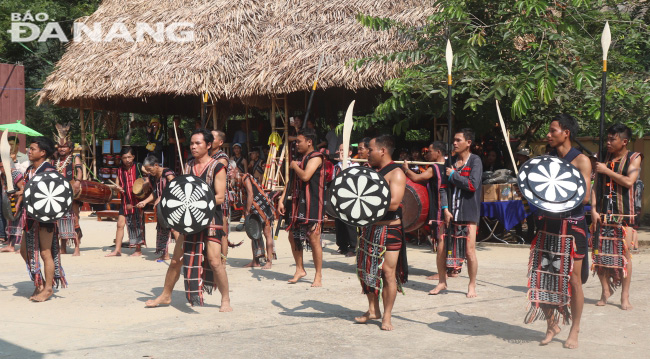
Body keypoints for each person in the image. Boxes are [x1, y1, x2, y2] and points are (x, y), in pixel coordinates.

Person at [529, 114, 591, 349]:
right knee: (544, 277)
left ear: (566, 132)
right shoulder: (547, 160)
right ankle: (551, 324)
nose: (548, 134)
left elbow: (584, 197)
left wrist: (556, 194)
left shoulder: (581, 160)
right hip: (548, 226)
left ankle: (574, 329)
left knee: (574, 280)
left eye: (553, 130)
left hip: (573, 227)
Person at [354, 135, 407, 331]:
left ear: (382, 151)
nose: (367, 152)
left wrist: (364, 204)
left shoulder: (396, 173)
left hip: (390, 227)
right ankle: (373, 309)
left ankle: (387, 316)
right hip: (370, 227)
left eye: (371, 149)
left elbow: (394, 203)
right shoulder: (371, 172)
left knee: (388, 273)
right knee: (367, 270)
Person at [591, 123, 641, 311]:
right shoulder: (602, 157)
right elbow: (595, 185)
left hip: (624, 214)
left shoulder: (634, 158)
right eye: (608, 138)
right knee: (599, 253)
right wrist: (593, 210)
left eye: (613, 139)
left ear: (624, 141)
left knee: (623, 256)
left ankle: (624, 295)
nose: (609, 142)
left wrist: (607, 171)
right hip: (602, 213)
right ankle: (605, 290)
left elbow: (629, 182)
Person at [182, 129, 232, 309]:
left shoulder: (217, 166)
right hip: (192, 219)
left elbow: (220, 197)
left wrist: (196, 201)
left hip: (212, 218)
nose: (193, 147)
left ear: (208, 145)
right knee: (187, 257)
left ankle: (225, 298)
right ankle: (194, 294)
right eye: (192, 143)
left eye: (198, 143)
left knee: (214, 261)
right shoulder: (188, 166)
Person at [430, 128, 482, 298]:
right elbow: (443, 188)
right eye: (454, 140)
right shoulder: (450, 161)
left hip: (468, 212)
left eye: (459, 140)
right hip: (450, 213)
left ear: (468, 143)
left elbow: (472, 185)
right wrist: (445, 208)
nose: (455, 143)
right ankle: (442, 282)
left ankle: (472, 285)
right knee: (441, 249)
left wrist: (454, 175)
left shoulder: (475, 161)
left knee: (469, 251)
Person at [19, 137, 68, 302]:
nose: (29, 151)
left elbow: (56, 195)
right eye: (29, 148)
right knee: (24, 250)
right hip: (30, 218)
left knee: (46, 252)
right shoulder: (29, 170)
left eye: (32, 149)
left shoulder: (50, 171)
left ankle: (48, 289)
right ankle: (39, 282)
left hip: (46, 217)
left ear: (43, 152)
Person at [278, 128, 325, 287]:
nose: (296, 144)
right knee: (293, 236)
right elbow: (290, 182)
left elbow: (305, 175)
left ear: (309, 142)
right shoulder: (299, 158)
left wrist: (294, 166)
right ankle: (300, 269)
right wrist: (282, 199)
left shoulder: (317, 157)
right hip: (296, 203)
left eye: (299, 141)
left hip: (312, 203)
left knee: (313, 238)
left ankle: (318, 275)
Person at [402, 141, 448, 281]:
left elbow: (416, 178)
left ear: (438, 152)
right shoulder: (448, 165)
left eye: (430, 151)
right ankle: (448, 270)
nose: (427, 154)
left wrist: (406, 169)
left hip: (440, 207)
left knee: (440, 240)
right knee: (444, 239)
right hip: (447, 206)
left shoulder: (434, 168)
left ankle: (442, 273)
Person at [105, 147, 146, 257]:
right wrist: (117, 188)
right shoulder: (119, 170)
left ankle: (138, 250)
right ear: (121, 159)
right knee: (120, 224)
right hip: (125, 200)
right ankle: (117, 250)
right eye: (124, 158)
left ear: (133, 157)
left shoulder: (138, 166)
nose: (127, 160)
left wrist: (144, 184)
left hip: (137, 200)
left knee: (137, 224)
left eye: (129, 157)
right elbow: (117, 183)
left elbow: (149, 175)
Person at [138, 155, 179, 261]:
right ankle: (165, 254)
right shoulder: (152, 177)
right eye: (146, 170)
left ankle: (181, 253)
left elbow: (174, 186)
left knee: (174, 229)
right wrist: (145, 201)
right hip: (161, 207)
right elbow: (155, 192)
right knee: (162, 229)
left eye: (149, 169)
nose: (148, 172)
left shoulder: (168, 173)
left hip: (172, 205)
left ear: (156, 165)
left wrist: (162, 197)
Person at [52, 123, 83, 256]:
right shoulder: (55, 160)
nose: (62, 148)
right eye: (60, 146)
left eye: (65, 146)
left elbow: (79, 170)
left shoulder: (74, 158)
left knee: (74, 219)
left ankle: (77, 248)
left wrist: (77, 182)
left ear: (70, 148)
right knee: (59, 220)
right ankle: (63, 247)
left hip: (71, 192)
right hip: (58, 193)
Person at [240, 168, 276, 269]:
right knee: (254, 234)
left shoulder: (245, 177)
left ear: (234, 170)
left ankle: (269, 261)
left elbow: (250, 194)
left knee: (267, 233)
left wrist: (246, 211)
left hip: (263, 207)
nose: (228, 175)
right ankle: (255, 261)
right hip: (254, 208)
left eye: (229, 172)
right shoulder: (239, 180)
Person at [334, 143, 359, 257]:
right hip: (339, 196)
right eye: (339, 150)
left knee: (350, 222)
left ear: (350, 153)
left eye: (343, 150)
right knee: (339, 221)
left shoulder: (354, 165)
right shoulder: (336, 166)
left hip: (351, 197)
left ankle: (353, 247)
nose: (341, 152)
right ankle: (342, 245)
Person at [0, 157, 25, 253]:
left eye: (3, 166)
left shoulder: (15, 174)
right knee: (11, 224)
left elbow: (23, 189)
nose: (1, 168)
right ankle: (11, 245)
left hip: (20, 202)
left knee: (20, 224)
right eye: (0, 167)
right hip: (11, 202)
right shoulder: (3, 175)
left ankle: (21, 246)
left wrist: (18, 204)